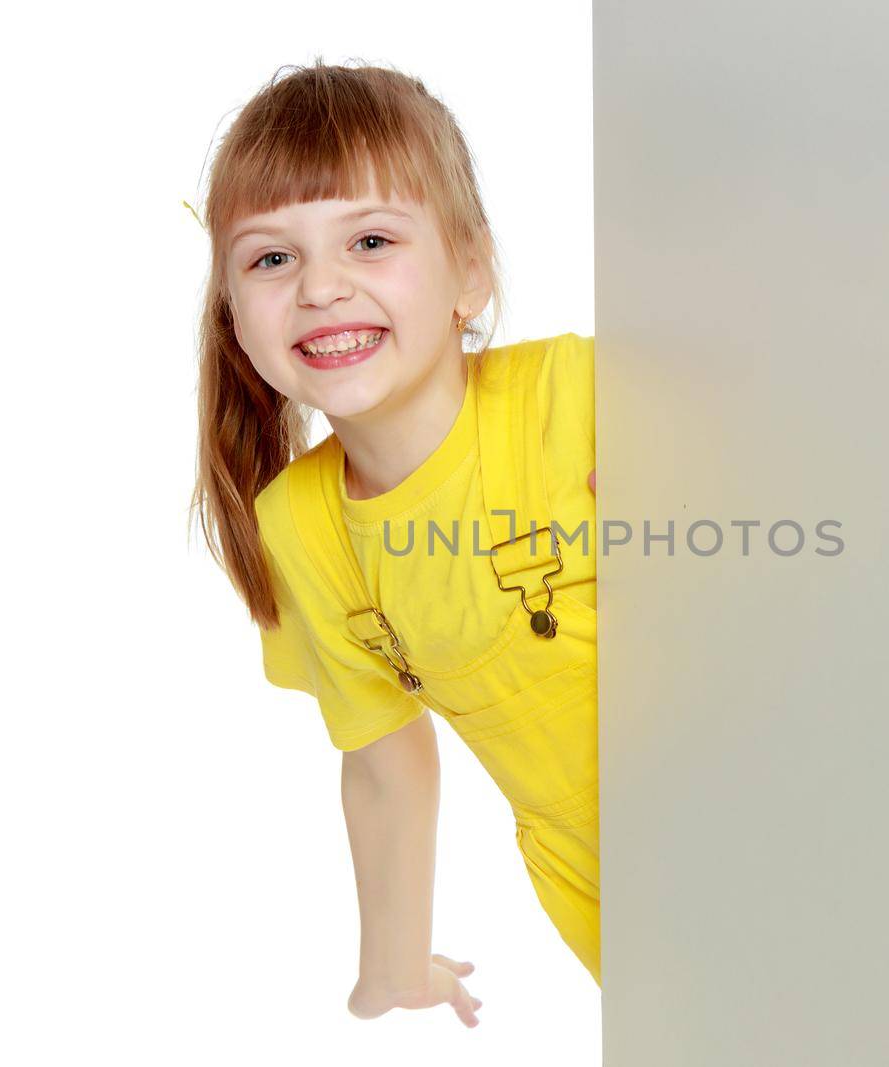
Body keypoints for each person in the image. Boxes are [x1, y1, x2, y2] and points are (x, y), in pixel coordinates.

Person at [187, 61, 600, 1029]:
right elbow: (384, 759)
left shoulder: (576, 396)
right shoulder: (302, 525)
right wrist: (392, 960)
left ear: (470, 270)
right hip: (608, 888)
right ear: (233, 312)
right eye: (270, 258)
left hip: (801, 811)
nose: (321, 286)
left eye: (370, 240)